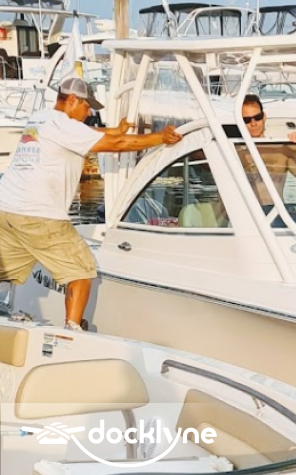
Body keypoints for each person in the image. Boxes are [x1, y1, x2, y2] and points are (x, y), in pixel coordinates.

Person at [0, 78, 183, 331]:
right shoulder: (64, 125)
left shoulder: (40, 119)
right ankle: (72, 334)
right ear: (72, 100)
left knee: (4, 270)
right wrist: (160, 137)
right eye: (87, 107)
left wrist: (117, 129)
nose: (89, 113)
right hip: (38, 214)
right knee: (82, 271)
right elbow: (117, 145)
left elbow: (94, 135)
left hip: (6, 209)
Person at [239, 94, 296, 207]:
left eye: (257, 117)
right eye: (246, 120)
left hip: (276, 213)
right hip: (245, 214)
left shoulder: (281, 151)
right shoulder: (234, 151)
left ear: (264, 117)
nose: (253, 123)